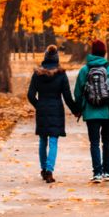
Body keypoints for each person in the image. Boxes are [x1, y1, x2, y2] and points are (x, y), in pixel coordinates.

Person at [74, 39, 109, 183]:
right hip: (108, 112)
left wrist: (78, 108)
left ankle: (97, 173)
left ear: (92, 52)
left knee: (94, 143)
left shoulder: (85, 70)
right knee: (107, 141)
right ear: (104, 53)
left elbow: (78, 92)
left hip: (91, 113)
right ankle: (107, 172)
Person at [27, 45, 78, 183]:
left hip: (42, 109)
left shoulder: (37, 74)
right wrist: (75, 110)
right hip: (56, 109)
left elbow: (30, 95)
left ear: (45, 58)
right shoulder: (61, 74)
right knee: (53, 141)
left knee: (43, 141)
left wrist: (39, 105)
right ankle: (50, 170)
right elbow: (67, 97)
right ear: (57, 59)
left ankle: (43, 169)